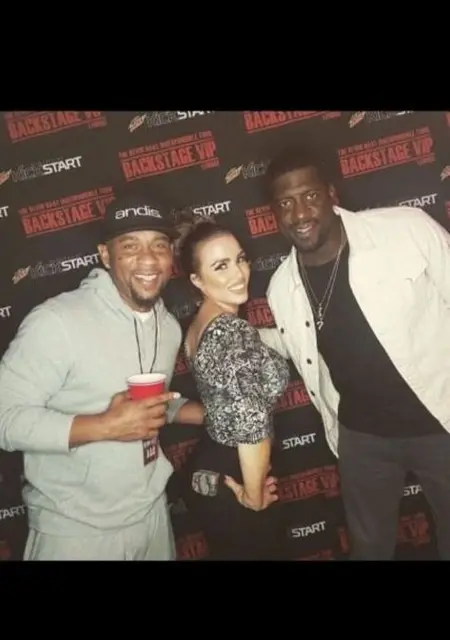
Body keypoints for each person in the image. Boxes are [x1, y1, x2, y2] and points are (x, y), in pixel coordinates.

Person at [258, 145, 450, 560]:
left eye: (310, 196)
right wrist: (240, 335)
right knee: (368, 548)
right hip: (363, 439)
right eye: (285, 203)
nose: (300, 213)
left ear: (332, 194)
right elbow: (300, 341)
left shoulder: (406, 230)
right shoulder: (282, 287)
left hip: (440, 420)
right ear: (274, 213)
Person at [0, 191, 204, 561]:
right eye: (130, 246)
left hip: (153, 518)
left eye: (159, 245)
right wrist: (105, 426)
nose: (148, 259)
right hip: (76, 533)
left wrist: (209, 414)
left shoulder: (168, 327)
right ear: (106, 255)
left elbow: (149, 408)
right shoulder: (57, 322)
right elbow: (4, 418)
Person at [175, 216, 290, 560]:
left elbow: (223, 402)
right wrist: (253, 495)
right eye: (221, 266)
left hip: (212, 471)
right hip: (236, 475)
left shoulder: (201, 324)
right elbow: (250, 421)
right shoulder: (230, 332)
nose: (239, 273)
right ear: (197, 279)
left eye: (240, 259)